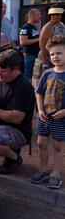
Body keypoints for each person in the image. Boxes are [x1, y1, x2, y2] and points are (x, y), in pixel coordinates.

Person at [0, 49, 35, 174]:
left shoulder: (23, 87)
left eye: (3, 71)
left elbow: (16, 117)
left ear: (16, 69)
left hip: (18, 131)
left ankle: (14, 158)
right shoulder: (0, 80)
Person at [30, 35, 65, 189]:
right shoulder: (47, 73)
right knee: (40, 143)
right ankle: (44, 168)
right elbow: (39, 92)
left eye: (59, 53)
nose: (55, 57)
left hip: (61, 117)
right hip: (44, 116)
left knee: (58, 146)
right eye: (52, 54)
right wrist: (40, 109)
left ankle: (56, 173)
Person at [34, 7, 65, 88]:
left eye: (57, 14)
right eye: (53, 15)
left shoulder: (62, 25)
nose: (55, 16)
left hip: (59, 56)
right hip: (47, 57)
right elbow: (42, 46)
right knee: (46, 83)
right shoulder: (48, 27)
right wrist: (45, 64)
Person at [19, 9, 41, 82]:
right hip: (29, 55)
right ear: (32, 16)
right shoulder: (26, 27)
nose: (40, 17)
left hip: (35, 55)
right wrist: (39, 39)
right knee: (27, 76)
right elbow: (23, 41)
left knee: (34, 77)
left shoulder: (34, 27)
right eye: (38, 15)